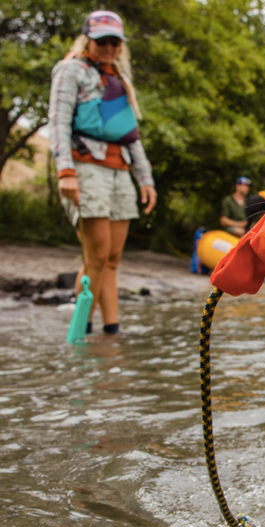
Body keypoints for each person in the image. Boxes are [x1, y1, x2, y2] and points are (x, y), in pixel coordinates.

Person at [49, 10, 156, 335]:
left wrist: (145, 179)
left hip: (119, 173)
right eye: (102, 41)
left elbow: (132, 137)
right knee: (95, 256)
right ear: (87, 40)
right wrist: (65, 171)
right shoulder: (71, 69)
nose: (108, 47)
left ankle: (111, 332)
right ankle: (79, 332)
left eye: (114, 41)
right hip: (86, 168)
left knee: (111, 258)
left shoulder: (119, 78)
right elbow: (58, 121)